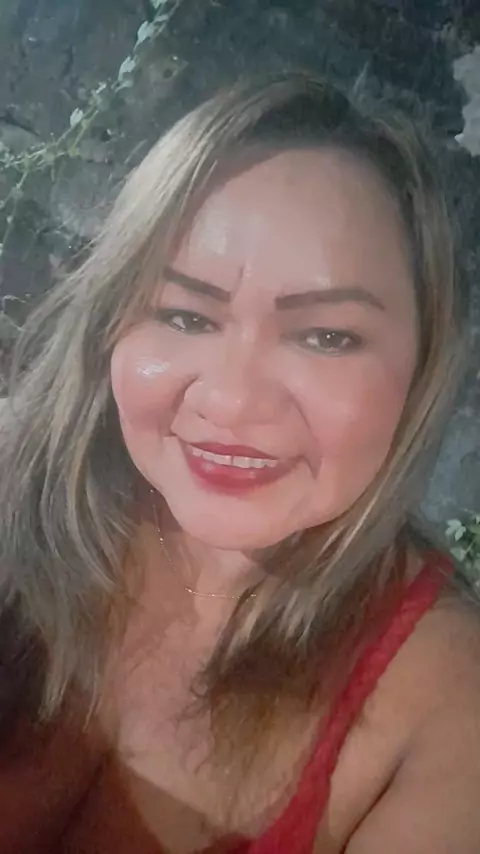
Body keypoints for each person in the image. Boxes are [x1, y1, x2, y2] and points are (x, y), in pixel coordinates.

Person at [0, 71, 479, 854]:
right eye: (185, 314)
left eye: (326, 336)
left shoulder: (450, 710)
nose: (230, 398)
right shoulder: (22, 503)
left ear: (421, 373)